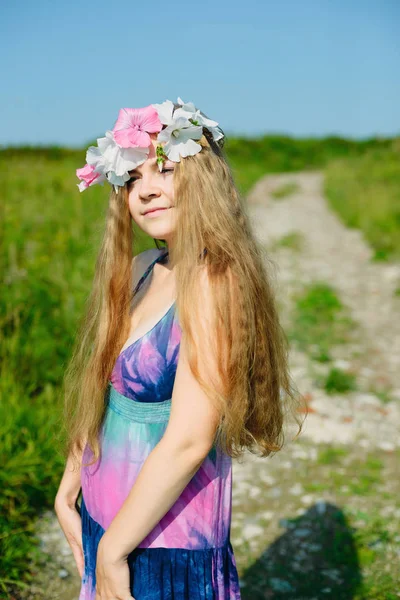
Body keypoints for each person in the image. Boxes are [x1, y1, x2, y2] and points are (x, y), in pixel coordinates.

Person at [54, 98, 303, 600]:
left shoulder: (215, 281)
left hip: (164, 540)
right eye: (132, 178)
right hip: (110, 517)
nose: (146, 190)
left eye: (165, 170)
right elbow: (103, 389)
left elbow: (190, 440)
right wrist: (71, 480)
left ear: (203, 179)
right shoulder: (145, 266)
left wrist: (112, 554)